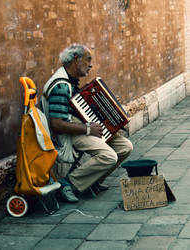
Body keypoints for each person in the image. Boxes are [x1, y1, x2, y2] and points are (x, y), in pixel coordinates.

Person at [42, 44, 133, 202]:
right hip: (70, 133)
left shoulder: (71, 81)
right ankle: (67, 183)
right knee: (109, 156)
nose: (90, 65)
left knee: (125, 147)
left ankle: (92, 181)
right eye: (88, 60)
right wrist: (88, 129)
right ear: (76, 60)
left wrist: (109, 125)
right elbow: (56, 124)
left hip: (81, 126)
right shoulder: (61, 86)